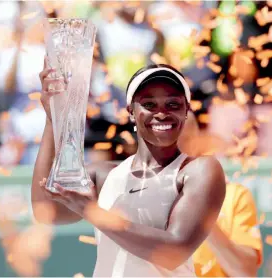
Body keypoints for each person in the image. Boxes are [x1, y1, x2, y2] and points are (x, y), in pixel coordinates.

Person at [32, 63, 226, 276]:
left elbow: (174, 252)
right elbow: (45, 210)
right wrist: (53, 119)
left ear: (186, 110)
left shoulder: (201, 170)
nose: (161, 113)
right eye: (149, 104)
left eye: (172, 104)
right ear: (131, 112)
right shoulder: (105, 175)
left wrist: (94, 213)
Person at [178, 115, 263, 277]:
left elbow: (245, 272)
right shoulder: (131, 197)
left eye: (182, 141)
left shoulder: (233, 196)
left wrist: (203, 215)